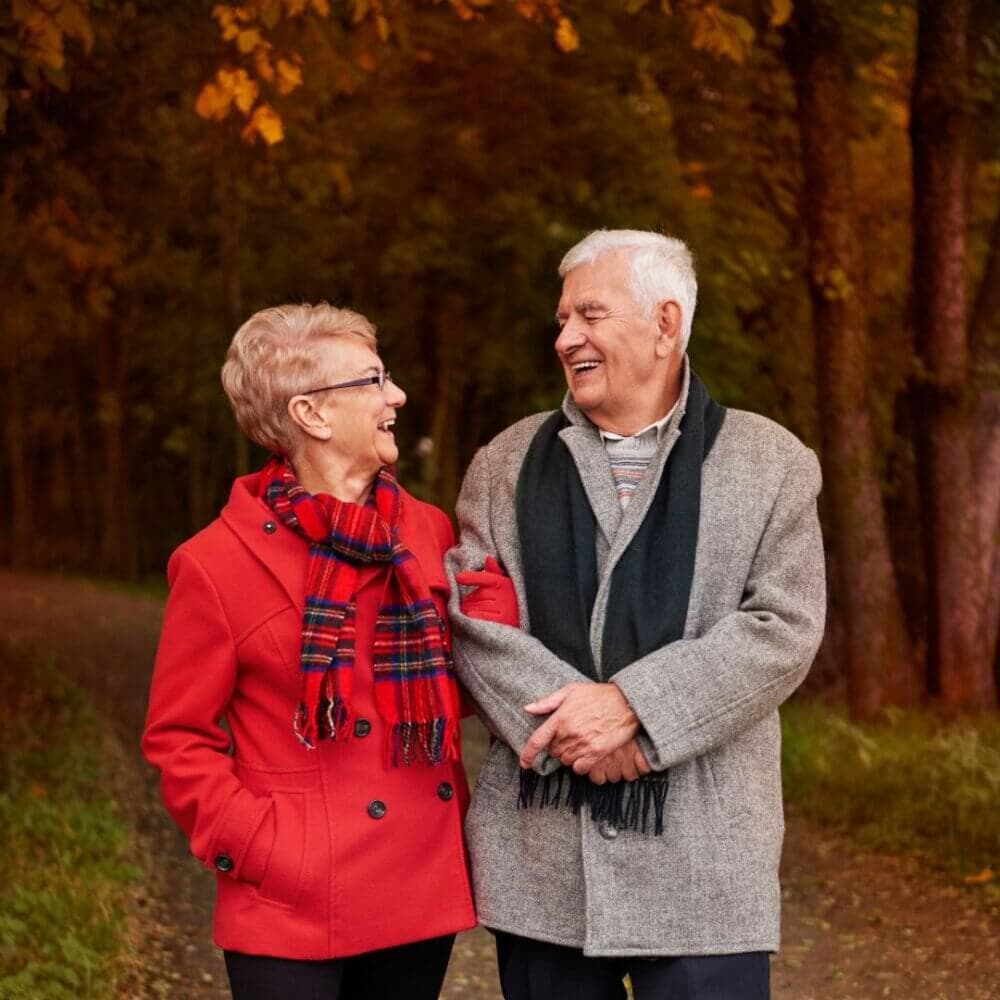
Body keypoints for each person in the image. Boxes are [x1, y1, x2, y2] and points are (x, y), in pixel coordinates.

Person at [447, 230, 827, 1000]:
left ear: (665, 324)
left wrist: (635, 710)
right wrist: (581, 731)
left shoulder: (771, 461)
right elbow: (476, 628)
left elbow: (782, 628)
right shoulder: (503, 462)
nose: (565, 338)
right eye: (560, 320)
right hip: (543, 861)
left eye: (589, 314)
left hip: (706, 862)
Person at [141, 303, 477, 1000]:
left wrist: (489, 622)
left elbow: (455, 689)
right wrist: (264, 848)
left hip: (415, 879)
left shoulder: (428, 530)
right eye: (373, 380)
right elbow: (179, 738)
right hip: (292, 899)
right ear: (312, 415)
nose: (397, 396)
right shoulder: (216, 563)